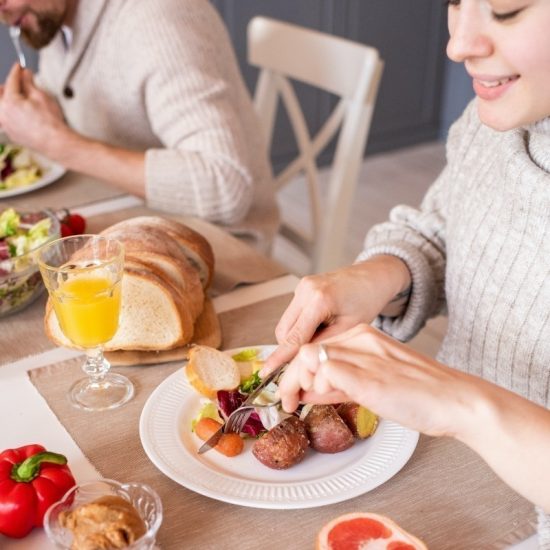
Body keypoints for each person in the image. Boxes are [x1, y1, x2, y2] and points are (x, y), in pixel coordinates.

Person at [264, 0, 550, 544]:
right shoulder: (494, 118)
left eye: (506, 8)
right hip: (451, 472)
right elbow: (447, 228)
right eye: (455, 3)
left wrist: (458, 401)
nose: (458, 44)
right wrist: (379, 276)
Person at [0, 0, 278, 252]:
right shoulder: (53, 15)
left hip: (219, 244)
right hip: (132, 210)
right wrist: (35, 108)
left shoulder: (158, 18)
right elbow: (71, 94)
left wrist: (58, 144)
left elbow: (224, 185)